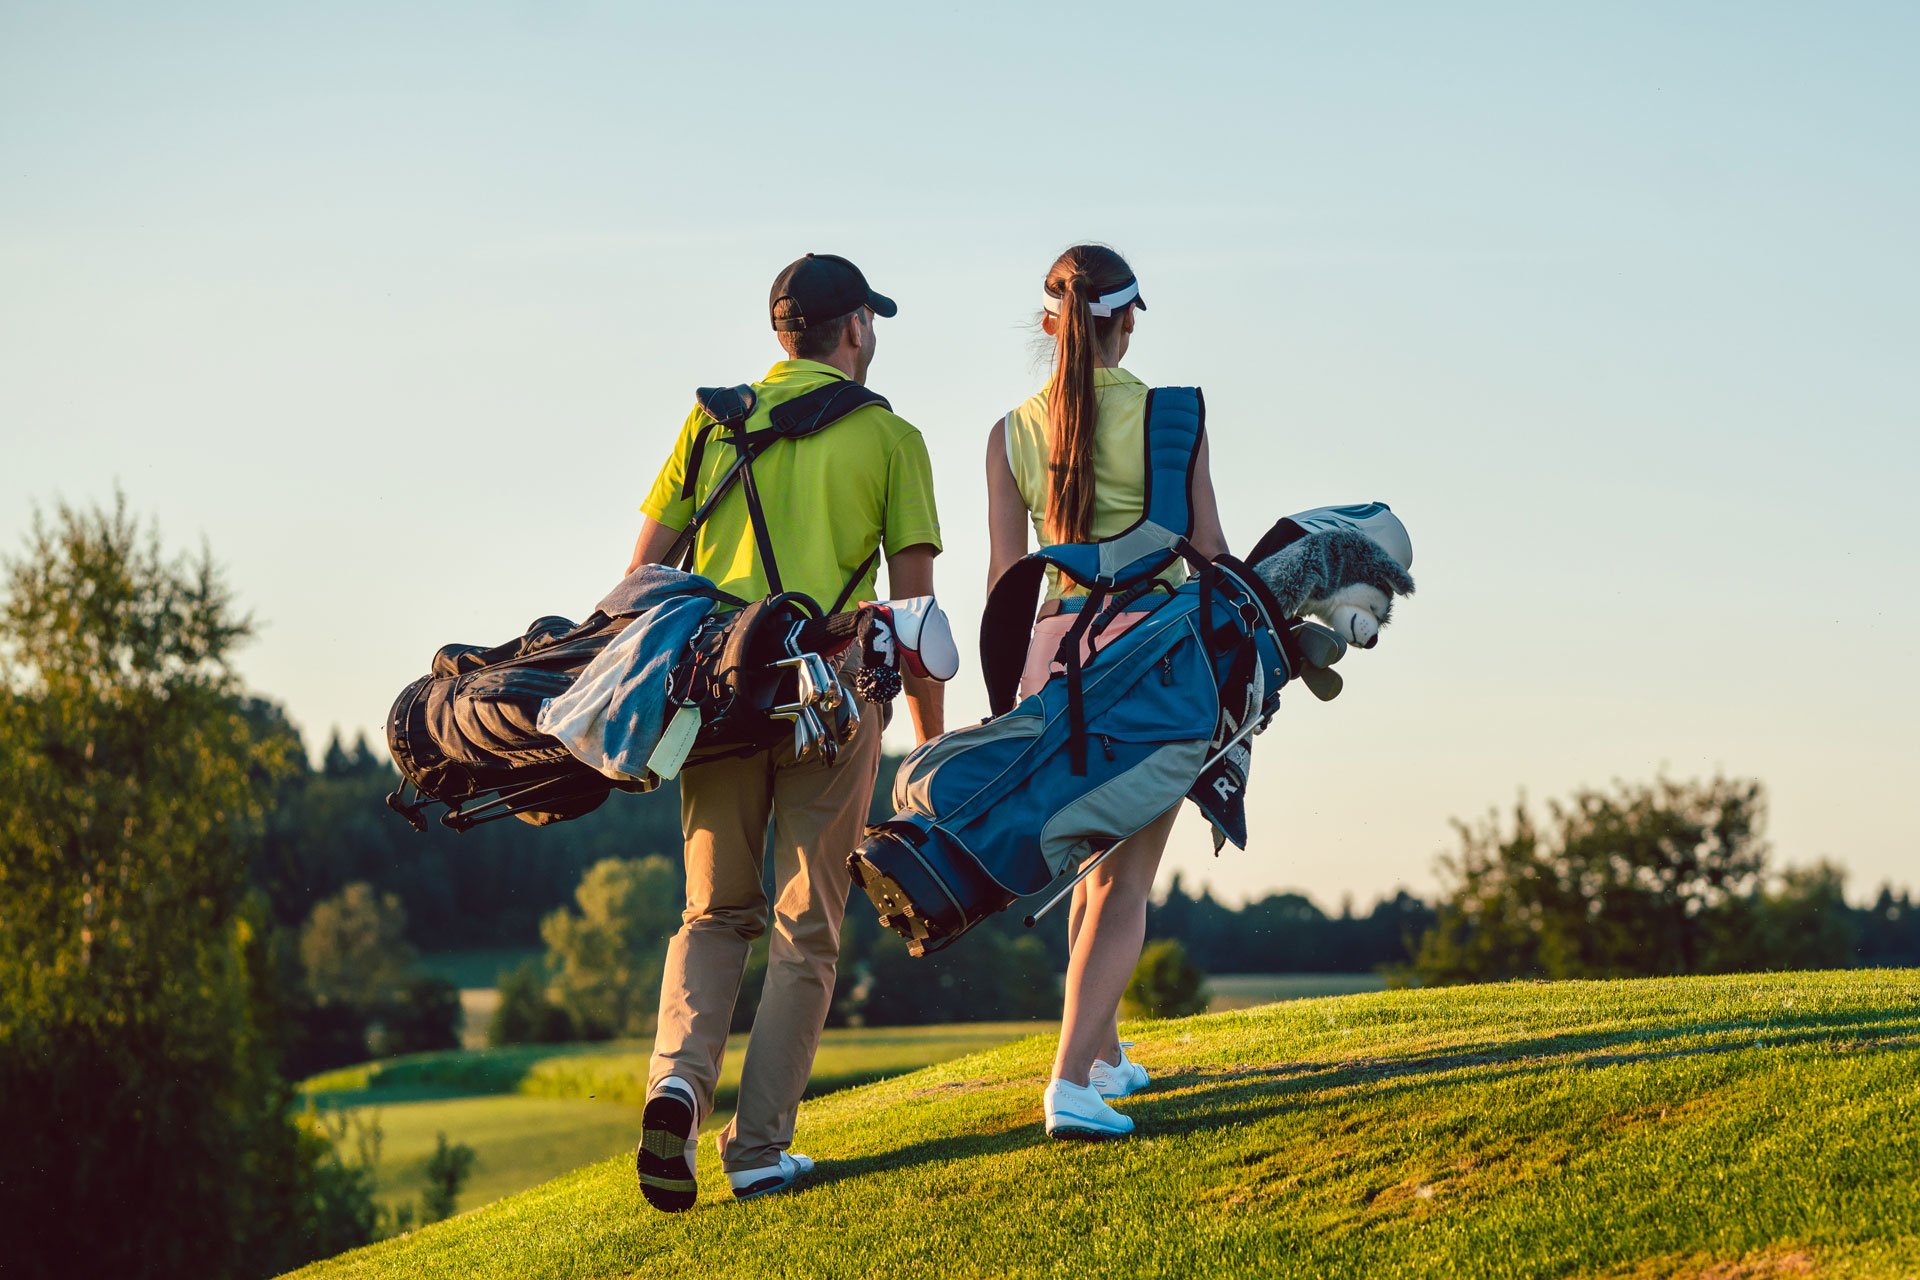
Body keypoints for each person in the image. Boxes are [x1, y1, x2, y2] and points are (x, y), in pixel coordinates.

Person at [625, 253, 944, 1207]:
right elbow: (916, 622)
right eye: (870, 323)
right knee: (806, 928)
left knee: (714, 912)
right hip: (832, 694)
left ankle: (676, 1083)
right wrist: (927, 750)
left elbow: (642, 579)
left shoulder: (709, 422)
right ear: (852, 331)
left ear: (779, 336)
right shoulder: (891, 437)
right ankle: (759, 1149)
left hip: (717, 692)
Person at [984, 244, 1227, 1139]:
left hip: (1054, 654)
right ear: (1123, 322)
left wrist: (1012, 696)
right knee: (1127, 882)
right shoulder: (1173, 416)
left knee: (1090, 864)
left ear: (1053, 325)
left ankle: (1102, 1057)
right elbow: (1207, 548)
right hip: (1151, 660)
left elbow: (1007, 578)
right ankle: (1068, 1087)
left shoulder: (1008, 430)